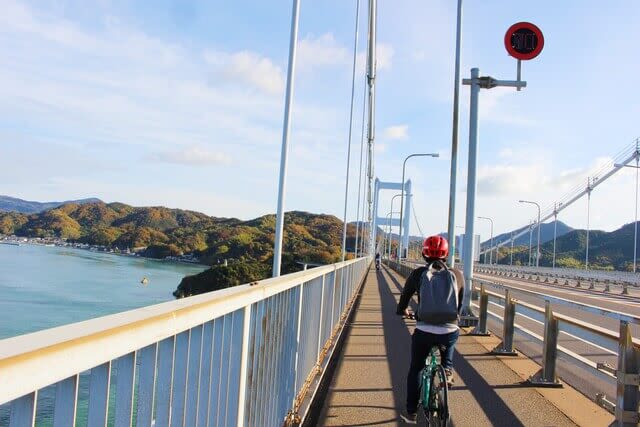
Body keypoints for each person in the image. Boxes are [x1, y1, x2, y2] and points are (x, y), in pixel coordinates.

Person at [397, 235, 464, 424]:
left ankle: (411, 412)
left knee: (416, 368)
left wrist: (402, 310)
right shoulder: (456, 275)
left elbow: (405, 296)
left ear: (424, 253)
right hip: (449, 329)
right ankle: (447, 370)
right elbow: (460, 302)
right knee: (449, 342)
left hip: (424, 330)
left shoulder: (418, 274)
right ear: (447, 253)